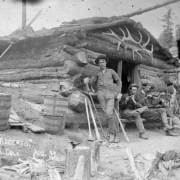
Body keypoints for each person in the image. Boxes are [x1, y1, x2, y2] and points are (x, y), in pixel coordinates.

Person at [84, 55, 122, 143]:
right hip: (100, 94)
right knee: (108, 114)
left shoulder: (111, 71)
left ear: (106, 62)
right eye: (100, 62)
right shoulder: (96, 73)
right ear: (98, 64)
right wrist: (87, 81)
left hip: (110, 94)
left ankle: (113, 134)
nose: (102, 64)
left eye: (103, 62)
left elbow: (119, 81)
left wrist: (118, 92)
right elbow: (91, 82)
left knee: (109, 113)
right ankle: (114, 134)